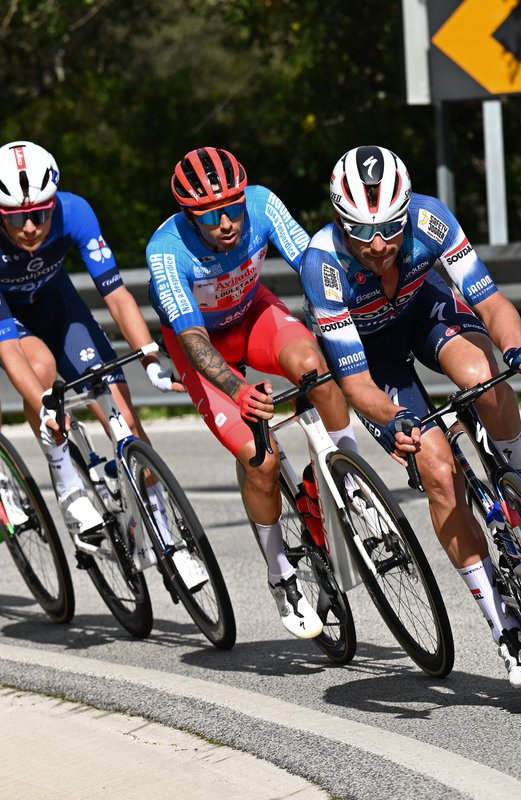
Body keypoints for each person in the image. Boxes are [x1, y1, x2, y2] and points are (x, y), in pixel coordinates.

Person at [299, 144, 521, 687]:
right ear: (340, 221)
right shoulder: (323, 267)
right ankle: (504, 629)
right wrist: (397, 421)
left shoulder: (430, 217)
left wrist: (516, 350)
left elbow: (492, 304)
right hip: (369, 355)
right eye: (361, 231)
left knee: (481, 373)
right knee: (436, 468)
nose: (379, 245)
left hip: (423, 312)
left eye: (389, 228)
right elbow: (356, 383)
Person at [145, 146, 362, 639]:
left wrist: (343, 314)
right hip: (201, 347)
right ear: (187, 215)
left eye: (232, 208)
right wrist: (238, 388)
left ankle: (346, 480)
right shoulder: (166, 251)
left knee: (316, 370)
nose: (225, 222)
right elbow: (193, 339)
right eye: (209, 215)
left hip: (253, 316)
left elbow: (311, 263)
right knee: (260, 461)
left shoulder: (262, 204)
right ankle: (280, 574)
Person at [0, 140, 193, 573]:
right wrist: (46, 407)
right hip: (6, 321)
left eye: (41, 214)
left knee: (125, 417)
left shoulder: (76, 212)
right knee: (42, 371)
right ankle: (67, 483)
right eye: (17, 218)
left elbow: (117, 296)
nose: (31, 227)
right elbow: (9, 350)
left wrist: (148, 357)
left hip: (56, 303)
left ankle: (168, 535)